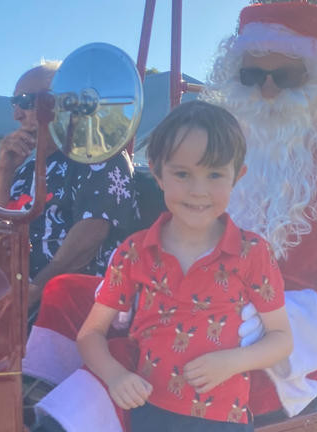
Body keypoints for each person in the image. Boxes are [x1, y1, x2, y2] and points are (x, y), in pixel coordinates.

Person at [27, 2, 317, 431]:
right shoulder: (220, 144)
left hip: (265, 350)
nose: (267, 91)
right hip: (187, 295)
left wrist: (255, 325)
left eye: (286, 77)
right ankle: (36, 397)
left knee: (131, 365)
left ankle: (71, 418)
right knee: (66, 292)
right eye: (252, 76)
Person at [76, 100, 292, 431]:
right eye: (182, 173)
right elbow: (90, 334)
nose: (198, 190)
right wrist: (115, 375)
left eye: (215, 173)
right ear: (157, 172)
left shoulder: (253, 253)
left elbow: (281, 338)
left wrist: (232, 362)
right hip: (149, 413)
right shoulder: (134, 253)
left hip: (225, 421)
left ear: (238, 175)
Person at [0, 61, 139, 311]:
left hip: (75, 307)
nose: (16, 114)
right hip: (13, 300)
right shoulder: (24, 170)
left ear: (64, 103)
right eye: (13, 104)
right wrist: (3, 172)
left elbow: (88, 239)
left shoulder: (99, 158)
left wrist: (32, 292)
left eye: (26, 101)